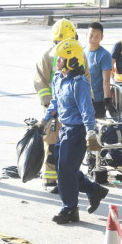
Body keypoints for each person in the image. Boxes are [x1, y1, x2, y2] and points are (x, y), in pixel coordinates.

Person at [38, 39, 109, 224]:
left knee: (65, 170)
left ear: (72, 61)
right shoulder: (58, 78)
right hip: (64, 129)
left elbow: (87, 110)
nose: (57, 62)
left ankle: (69, 208)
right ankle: (94, 190)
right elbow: (55, 103)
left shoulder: (80, 83)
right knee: (64, 168)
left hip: (77, 132)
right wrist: (44, 121)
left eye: (60, 59)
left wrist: (91, 133)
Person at [35, 18, 81, 193]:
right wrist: (48, 103)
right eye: (57, 42)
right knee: (52, 144)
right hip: (54, 109)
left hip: (71, 111)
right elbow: (40, 82)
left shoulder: (78, 56)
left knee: (71, 146)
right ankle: (50, 179)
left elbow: (86, 81)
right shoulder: (48, 57)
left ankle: (67, 178)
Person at [84, 22, 114, 119]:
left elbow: (106, 80)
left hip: (97, 101)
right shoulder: (81, 51)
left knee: (97, 130)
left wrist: (107, 100)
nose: (93, 39)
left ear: (102, 37)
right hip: (82, 98)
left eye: (97, 36)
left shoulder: (104, 55)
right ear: (86, 35)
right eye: (91, 35)